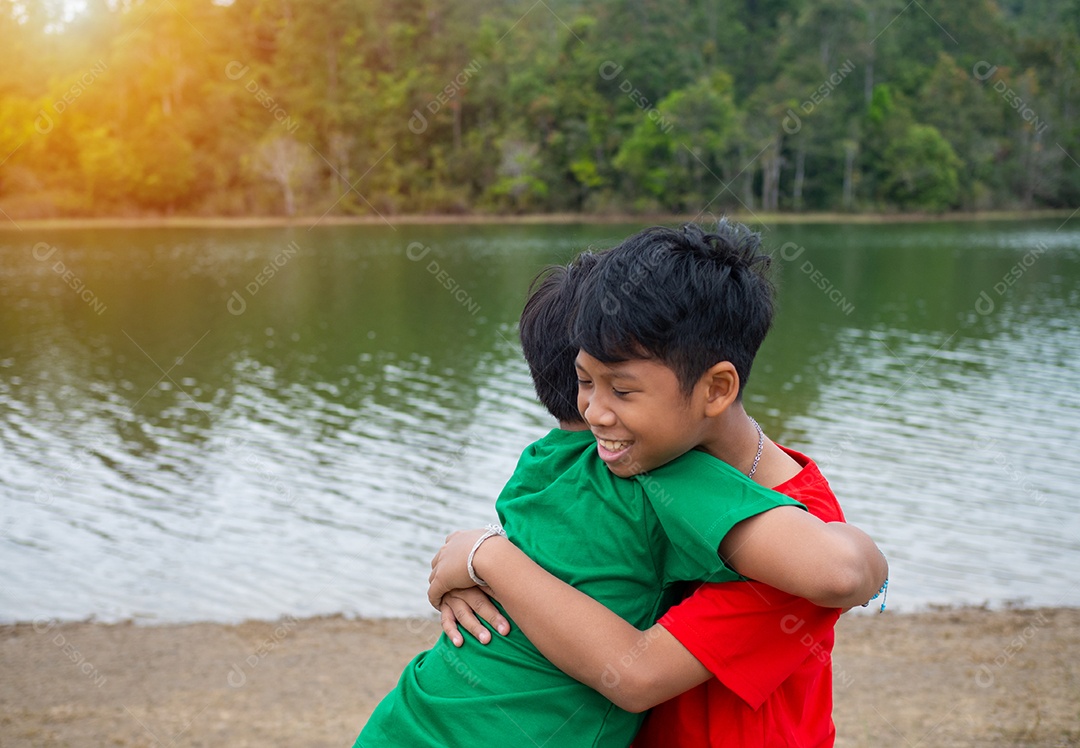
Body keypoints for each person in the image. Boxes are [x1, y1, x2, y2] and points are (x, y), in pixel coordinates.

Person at [355, 222, 887, 747]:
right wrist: (481, 566)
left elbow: (637, 674)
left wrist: (488, 558)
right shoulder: (634, 464)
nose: (594, 414)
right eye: (585, 381)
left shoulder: (789, 530)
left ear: (716, 389)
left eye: (623, 390)